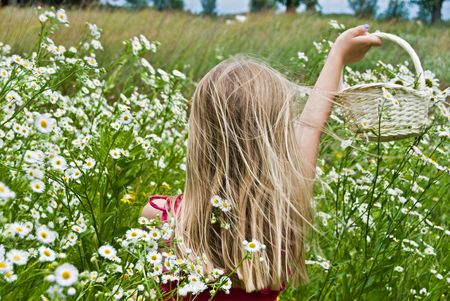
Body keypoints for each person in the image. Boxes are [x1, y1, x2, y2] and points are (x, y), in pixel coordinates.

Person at [142, 24, 382, 300]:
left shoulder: (162, 219)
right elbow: (311, 125)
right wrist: (337, 55)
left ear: (200, 136)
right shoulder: (284, 212)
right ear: (273, 139)